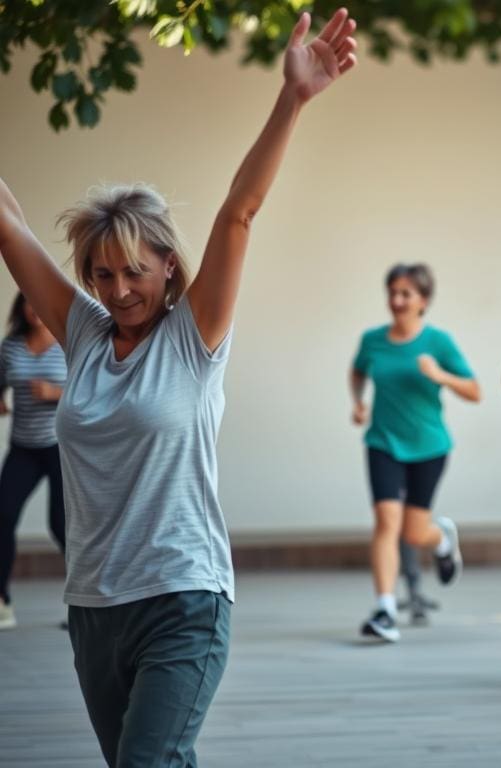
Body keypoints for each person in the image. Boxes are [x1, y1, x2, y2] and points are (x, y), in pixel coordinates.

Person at [0, 9, 357, 764]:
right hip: (94, 607)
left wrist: (291, 99)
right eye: (102, 273)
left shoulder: (193, 339)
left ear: (167, 264)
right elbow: (8, 224)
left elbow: (240, 213)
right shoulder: (86, 333)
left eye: (135, 269)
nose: (119, 287)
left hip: (182, 599)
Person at [350, 263, 480, 642]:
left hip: (429, 447)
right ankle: (385, 609)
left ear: (423, 300)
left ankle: (441, 540)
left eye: (406, 293)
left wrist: (442, 377)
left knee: (412, 531)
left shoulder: (439, 342)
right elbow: (358, 372)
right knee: (386, 524)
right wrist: (358, 402)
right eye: (393, 292)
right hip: (383, 443)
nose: (397, 300)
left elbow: (475, 391)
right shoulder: (372, 340)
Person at [0, 293, 67, 630]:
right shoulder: (10, 346)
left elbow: (94, 390)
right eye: (29, 302)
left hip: (60, 447)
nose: (35, 308)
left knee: (62, 526)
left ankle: (85, 607)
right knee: (2, 516)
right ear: (21, 308)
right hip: (23, 448)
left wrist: (55, 393)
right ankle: (2, 603)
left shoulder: (71, 342)